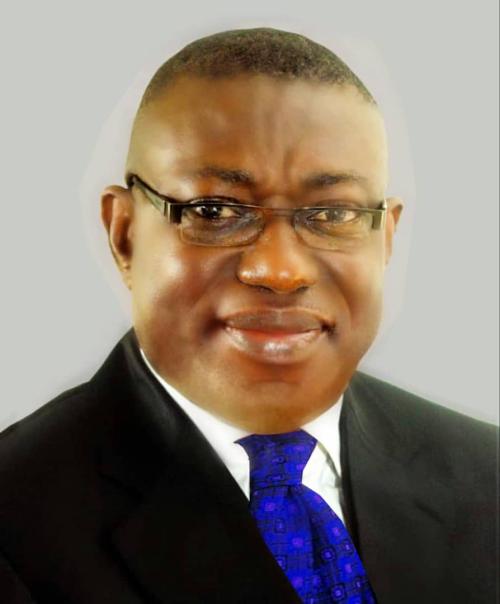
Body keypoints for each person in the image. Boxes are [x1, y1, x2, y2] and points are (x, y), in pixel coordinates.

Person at [0, 28, 496, 604]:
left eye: (333, 213)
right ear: (125, 235)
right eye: (213, 211)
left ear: (385, 239)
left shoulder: (487, 476)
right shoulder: (16, 524)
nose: (280, 270)